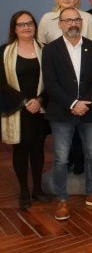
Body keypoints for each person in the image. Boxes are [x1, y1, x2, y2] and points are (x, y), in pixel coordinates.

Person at [42, 7, 92, 221]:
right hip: (62, 112)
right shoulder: (50, 50)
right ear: (60, 24)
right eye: (68, 20)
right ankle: (62, 200)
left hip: (89, 111)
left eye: (76, 20)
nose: (73, 24)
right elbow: (50, 83)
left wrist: (84, 103)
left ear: (82, 22)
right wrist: (72, 103)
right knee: (61, 158)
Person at [0, 11, 50, 210]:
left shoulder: (45, 50)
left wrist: (39, 100)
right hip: (18, 108)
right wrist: (24, 101)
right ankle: (23, 190)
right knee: (21, 150)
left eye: (29, 23)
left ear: (35, 26)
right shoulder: (4, 51)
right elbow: (1, 83)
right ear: (15, 29)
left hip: (40, 109)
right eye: (21, 24)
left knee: (38, 149)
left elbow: (53, 80)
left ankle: (37, 188)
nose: (26, 27)